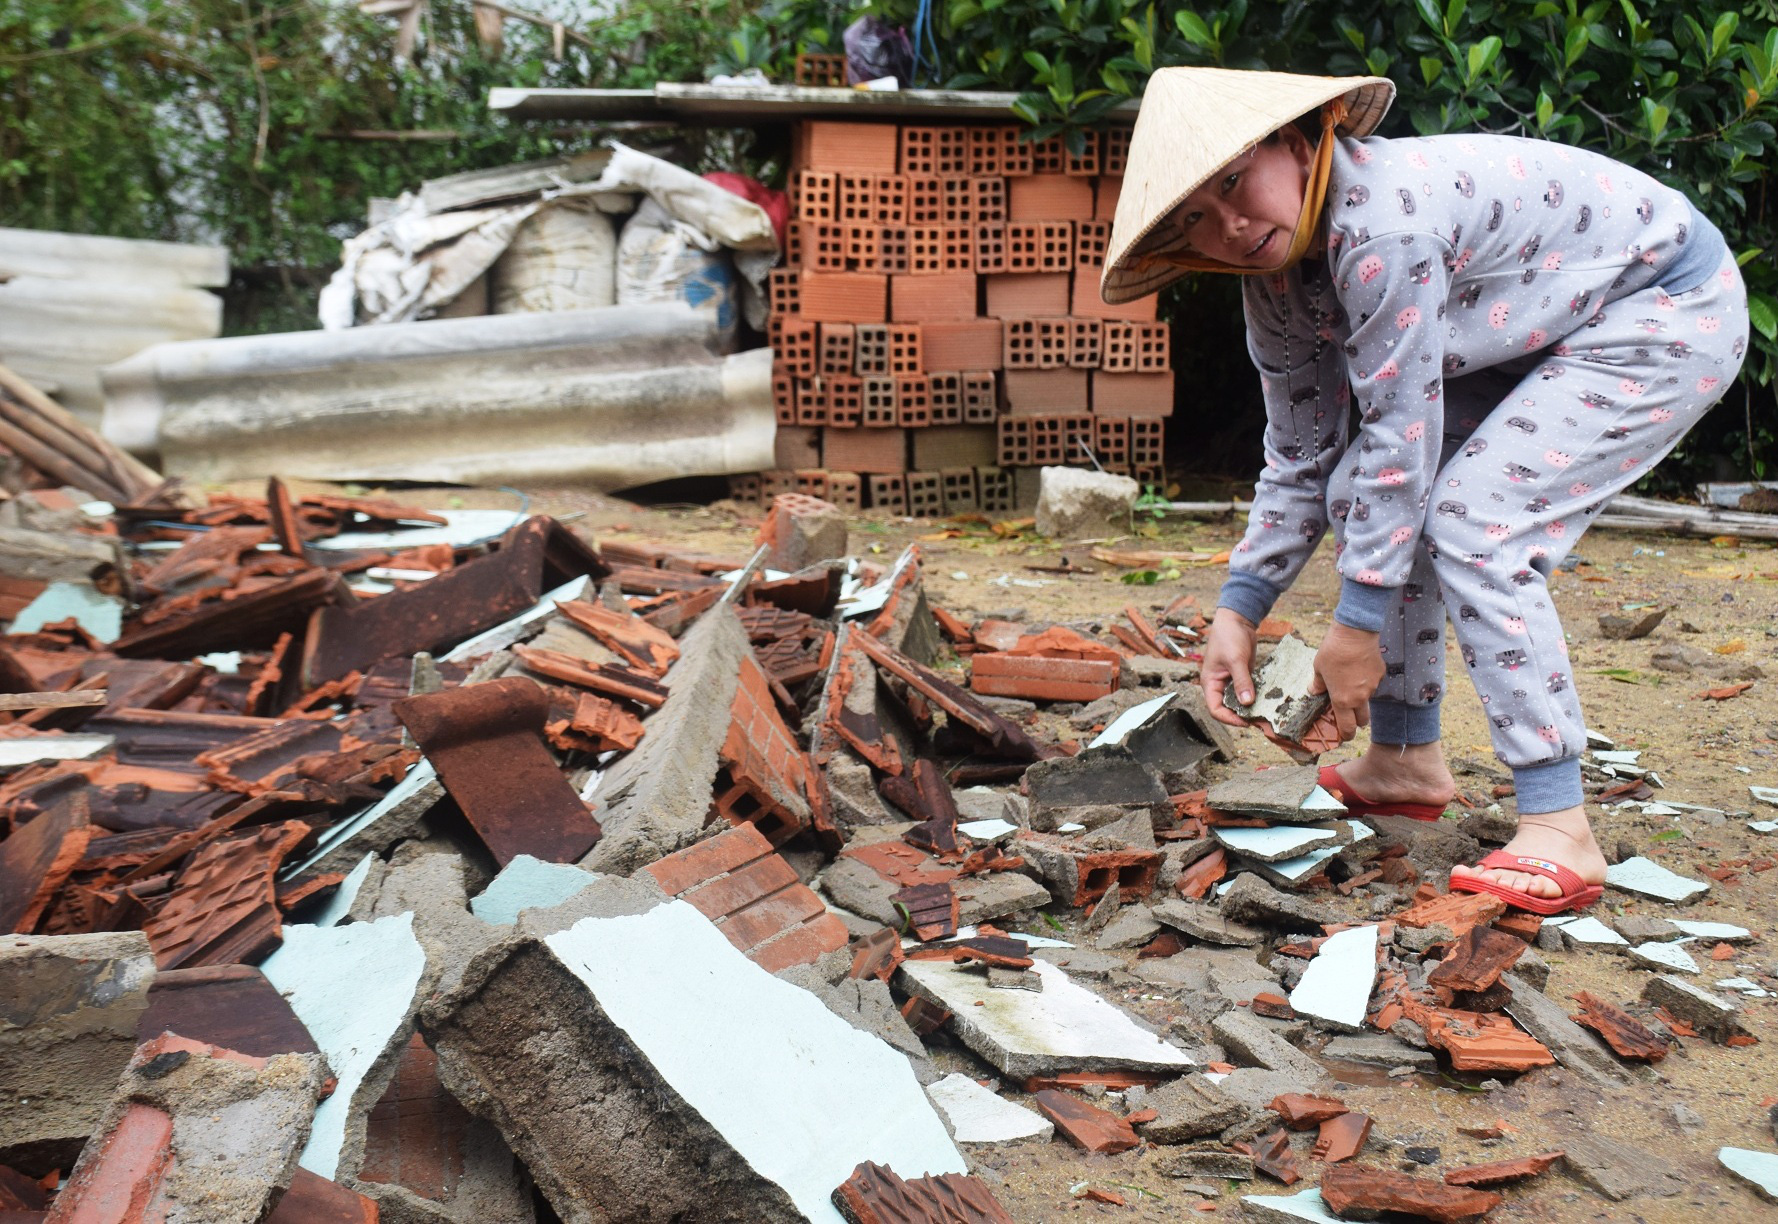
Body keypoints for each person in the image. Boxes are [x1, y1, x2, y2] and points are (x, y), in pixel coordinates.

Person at [1100, 68, 1748, 914]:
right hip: (1543, 336)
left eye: (1233, 183)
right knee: (1353, 494)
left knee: (1476, 521)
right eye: (1195, 220)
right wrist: (1239, 607)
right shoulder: (1275, 289)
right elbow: (1300, 455)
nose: (1230, 224)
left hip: (1663, 305)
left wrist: (1357, 627)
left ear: (1298, 146)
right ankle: (1404, 757)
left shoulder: (1380, 226)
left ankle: (1560, 824)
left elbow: (1402, 445)